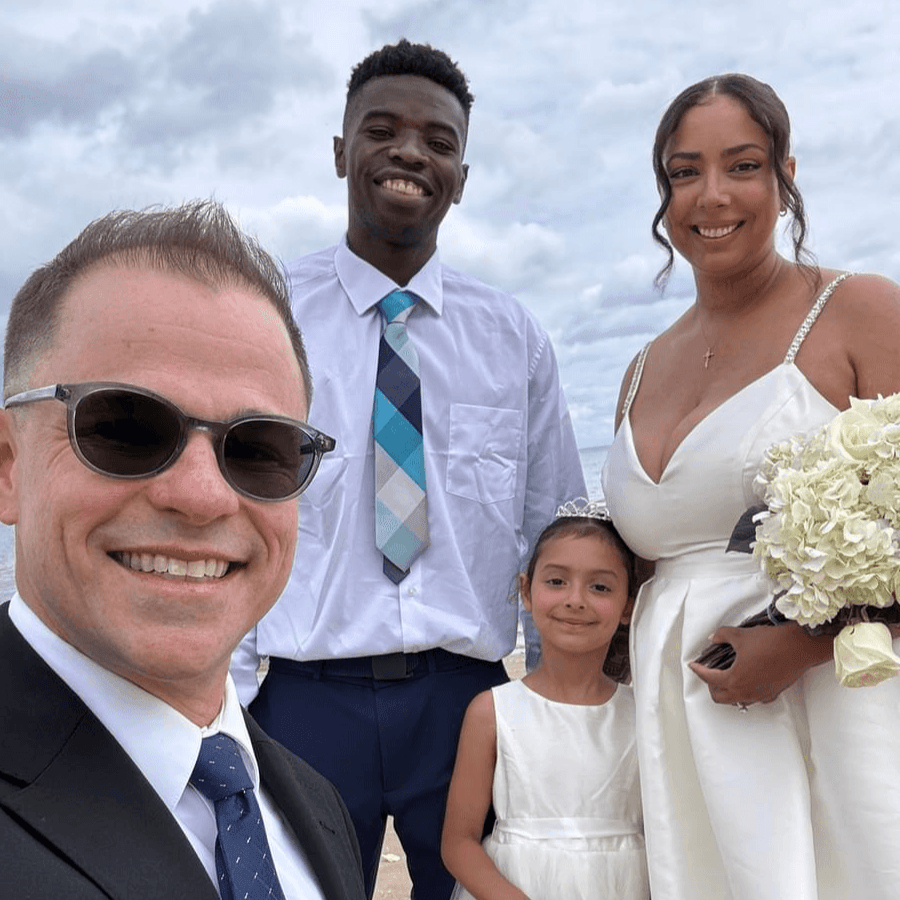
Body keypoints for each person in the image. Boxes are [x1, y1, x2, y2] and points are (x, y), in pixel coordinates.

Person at [234, 39, 585, 899]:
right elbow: (231, 507)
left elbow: (555, 524)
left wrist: (558, 699)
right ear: (341, 152)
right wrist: (226, 696)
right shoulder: (265, 318)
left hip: (467, 701)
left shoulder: (513, 338)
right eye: (382, 130)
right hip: (300, 701)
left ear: (461, 173)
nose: (409, 153)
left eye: (438, 140)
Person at [0, 200, 366, 900]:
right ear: (8, 465)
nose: (201, 496)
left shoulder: (317, 806)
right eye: (125, 428)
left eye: (259, 449)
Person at [602, 73, 900, 900]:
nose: (712, 195)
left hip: (830, 706)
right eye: (683, 171)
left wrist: (806, 642)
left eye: (742, 165)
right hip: (679, 725)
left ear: (786, 176)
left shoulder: (859, 311)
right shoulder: (639, 366)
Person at [441, 500, 650, 900]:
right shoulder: (492, 712)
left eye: (600, 587)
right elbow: (458, 842)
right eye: (556, 581)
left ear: (628, 606)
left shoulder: (643, 714)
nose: (575, 599)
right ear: (526, 591)